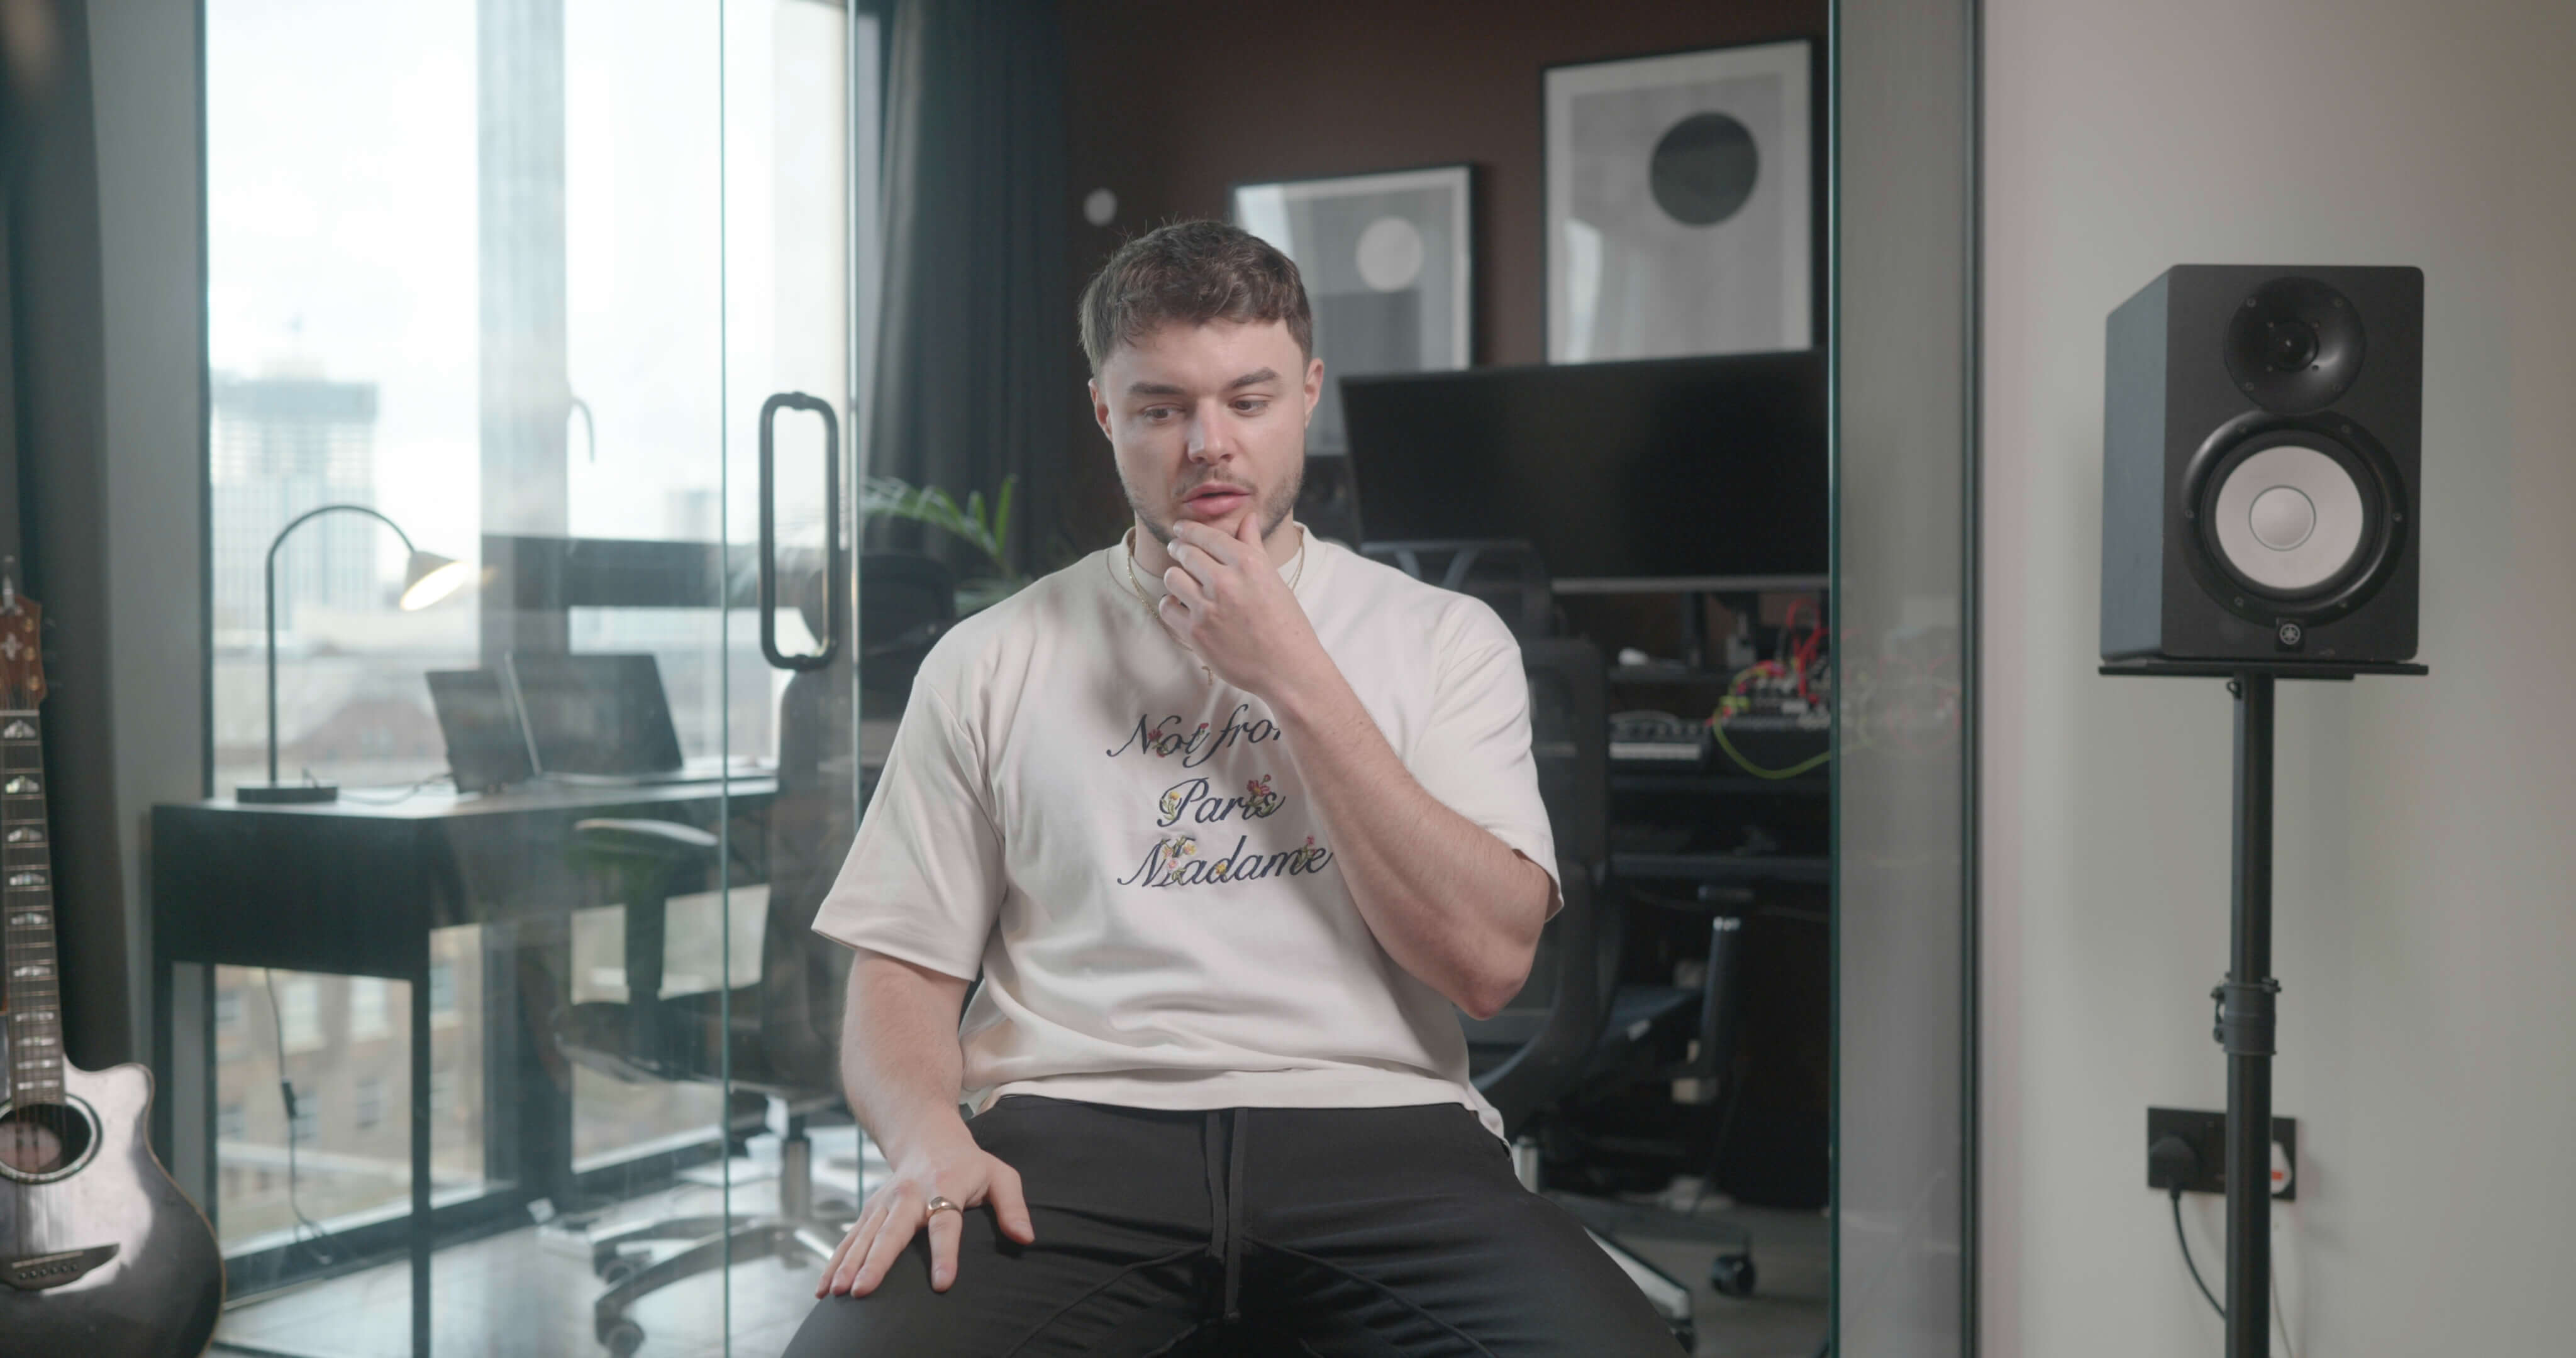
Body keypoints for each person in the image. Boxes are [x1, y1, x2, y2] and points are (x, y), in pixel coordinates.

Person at [784, 220, 1679, 1355]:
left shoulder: (1447, 640)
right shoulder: (991, 657)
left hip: (1384, 1132)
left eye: (1248, 401)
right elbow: (901, 973)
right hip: (1063, 1139)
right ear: (1107, 414)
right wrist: (925, 1141)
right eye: (1162, 408)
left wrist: (1291, 672)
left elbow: (1490, 965)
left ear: (1308, 395)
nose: (1210, 444)